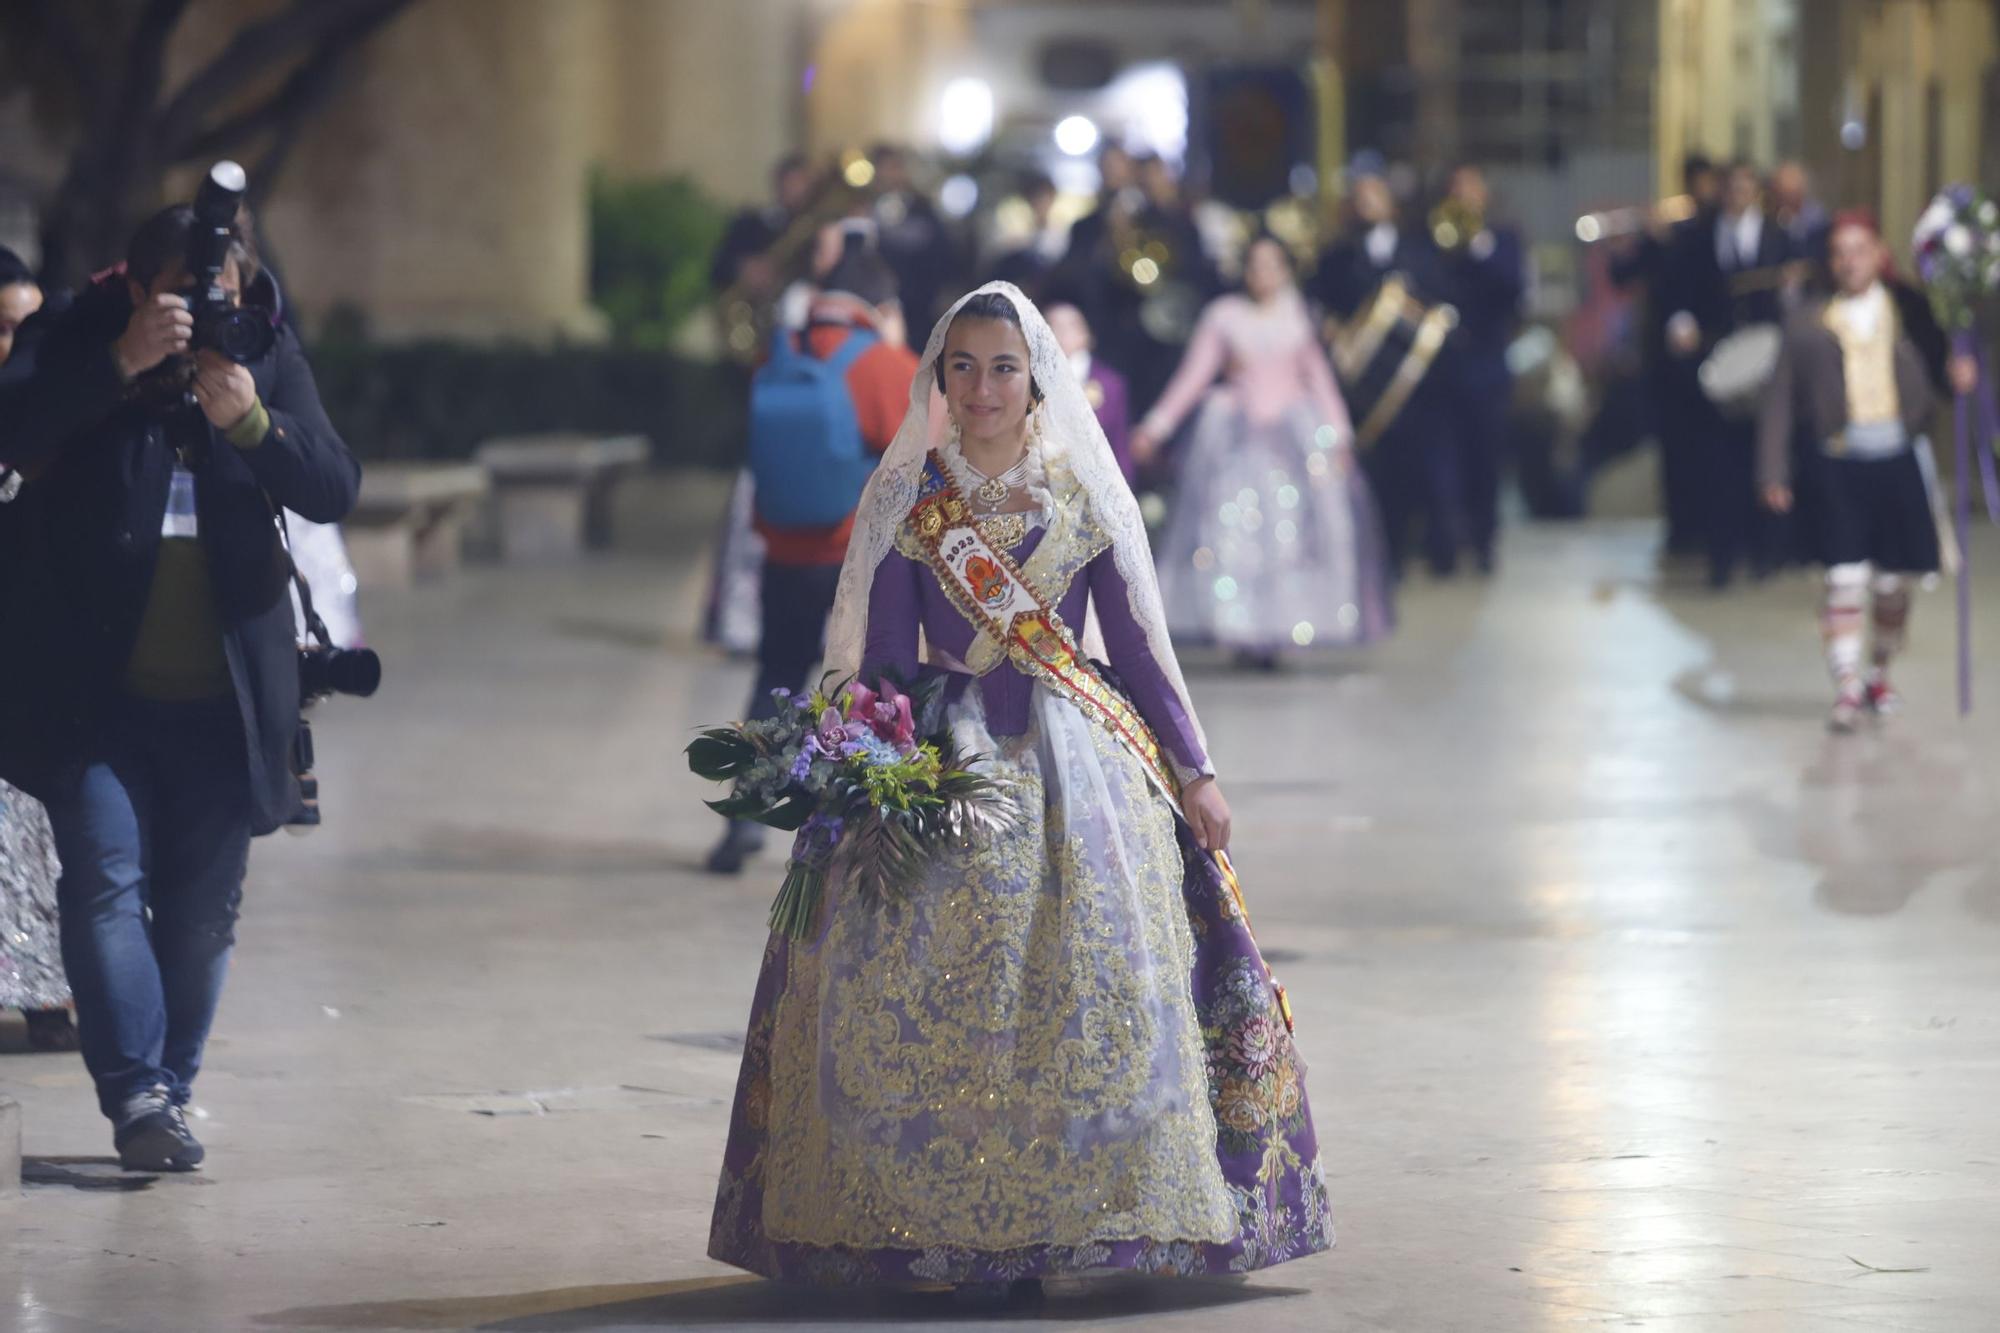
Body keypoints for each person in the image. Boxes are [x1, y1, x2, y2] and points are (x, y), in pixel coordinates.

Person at [706, 283, 1333, 1304]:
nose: (984, 388)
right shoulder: (911, 498)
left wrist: (1192, 769)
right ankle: (929, 1217)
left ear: (1034, 377)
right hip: (943, 754)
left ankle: (1077, 1208)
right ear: (939, 378)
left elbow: (1130, 643)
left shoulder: (1078, 491)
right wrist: (859, 761)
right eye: (963, 368)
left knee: (1087, 979)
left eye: (1003, 368)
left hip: (1074, 756)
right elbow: (877, 658)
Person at [0, 201, 360, 1170]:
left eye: (221, 300)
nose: (201, 320)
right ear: (135, 286)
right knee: (104, 887)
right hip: (94, 694)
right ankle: (136, 1096)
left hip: (225, 701)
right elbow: (11, 427)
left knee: (200, 922)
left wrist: (249, 420)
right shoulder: (77, 332)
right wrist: (118, 363)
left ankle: (168, 1093)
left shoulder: (265, 354)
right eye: (179, 301)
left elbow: (332, 483)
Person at [705, 250, 919, 875]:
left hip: (785, 550)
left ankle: (742, 824)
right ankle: (873, 832)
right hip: (858, 557)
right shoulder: (885, 364)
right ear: (881, 308)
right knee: (880, 691)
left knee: (775, 679)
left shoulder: (780, 355)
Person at [1758, 214, 1976, 731]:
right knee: (1843, 578)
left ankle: (1879, 670)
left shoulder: (1912, 312)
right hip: (1838, 461)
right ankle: (1847, 686)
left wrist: (1960, 374)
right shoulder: (1810, 323)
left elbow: (1947, 371)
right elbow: (1780, 400)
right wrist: (1773, 471)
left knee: (1892, 584)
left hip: (1897, 458)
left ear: (1879, 252)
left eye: (1859, 248)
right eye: (1840, 251)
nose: (1850, 260)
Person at [1135, 235, 1392, 665]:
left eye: (1273, 265)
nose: (1263, 274)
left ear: (1286, 270)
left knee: (1288, 536)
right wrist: (1156, 427)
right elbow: (1194, 376)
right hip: (1238, 444)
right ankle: (1240, 629)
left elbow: (1320, 381)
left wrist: (1339, 436)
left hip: (1291, 446)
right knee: (1234, 535)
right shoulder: (1225, 317)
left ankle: (1282, 628)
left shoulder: (1298, 316)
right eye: (1255, 265)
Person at [0, 245, 77, 1053]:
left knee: (34, 826)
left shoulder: (54, 417)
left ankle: (48, 993)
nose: (13, 343)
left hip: (32, 653)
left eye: (25, 325)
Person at [1312, 165, 1463, 578]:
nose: (1366, 204)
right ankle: (1384, 557)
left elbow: (1442, 306)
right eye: (1359, 198)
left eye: (1373, 195)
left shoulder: (1421, 250)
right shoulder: (1336, 255)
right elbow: (1321, 305)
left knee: (1427, 470)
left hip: (1417, 389)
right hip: (1365, 393)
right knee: (1377, 477)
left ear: (1390, 203)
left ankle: (1439, 551)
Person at [1667, 160, 1796, 588]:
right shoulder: (1700, 238)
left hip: (1767, 366)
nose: (1737, 194)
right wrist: (1683, 324)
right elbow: (1682, 294)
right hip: (1718, 362)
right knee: (1718, 468)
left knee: (1765, 460)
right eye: (1731, 187)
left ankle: (1765, 553)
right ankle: (1721, 556)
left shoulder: (1779, 237)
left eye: (1745, 187)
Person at [1609, 153, 1722, 557]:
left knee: (1707, 448)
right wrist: (1638, 241)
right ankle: (1681, 528)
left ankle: (1710, 527)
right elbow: (1622, 276)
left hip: (1708, 353)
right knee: (1672, 448)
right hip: (1664, 362)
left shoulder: (1713, 228)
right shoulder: (1665, 231)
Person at [1436, 165, 1526, 573]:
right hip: (1446, 368)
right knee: (1446, 461)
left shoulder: (1502, 240)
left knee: (1486, 460)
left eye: (1471, 189)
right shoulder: (1436, 238)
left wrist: (1480, 248)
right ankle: (1449, 544)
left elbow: (1514, 291)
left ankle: (1485, 542)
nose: (1464, 197)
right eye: (1457, 189)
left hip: (1487, 368)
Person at [1044, 300, 1133, 482]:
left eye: (1071, 325)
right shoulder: (1029, 378)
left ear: (1086, 334)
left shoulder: (1110, 384)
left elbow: (1119, 444)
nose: (1061, 333)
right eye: (1053, 325)